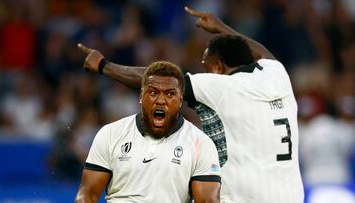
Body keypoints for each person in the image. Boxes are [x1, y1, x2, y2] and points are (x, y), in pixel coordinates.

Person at [78, 6, 304, 203]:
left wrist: (104, 65)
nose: (204, 70)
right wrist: (222, 27)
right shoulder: (277, 74)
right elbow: (262, 53)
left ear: (217, 67)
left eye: (205, 65)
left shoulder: (221, 87)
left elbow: (161, 82)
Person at [75, 61, 221, 203]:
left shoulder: (201, 143)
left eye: (170, 94)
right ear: (141, 97)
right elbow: (87, 196)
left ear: (181, 100)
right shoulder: (111, 134)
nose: (161, 100)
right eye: (153, 92)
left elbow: (208, 201)